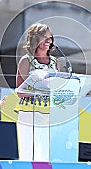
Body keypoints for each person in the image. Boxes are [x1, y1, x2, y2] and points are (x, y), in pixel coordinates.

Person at [15, 22, 60, 161]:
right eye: (44, 37)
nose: (48, 41)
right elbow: (19, 91)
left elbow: (59, 87)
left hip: (50, 116)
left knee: (45, 157)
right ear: (35, 39)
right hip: (29, 114)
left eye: (50, 38)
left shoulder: (55, 62)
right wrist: (40, 92)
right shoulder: (26, 61)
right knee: (28, 154)